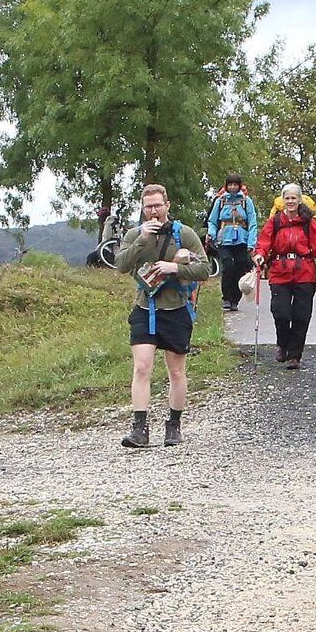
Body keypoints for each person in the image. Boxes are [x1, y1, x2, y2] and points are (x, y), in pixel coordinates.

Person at [113, 183, 213, 448]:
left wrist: (174, 268)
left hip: (176, 309)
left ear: (167, 205)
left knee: (176, 371)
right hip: (145, 308)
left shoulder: (185, 234)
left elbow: (205, 269)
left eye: (158, 205)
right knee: (142, 366)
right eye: (148, 207)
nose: (154, 211)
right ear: (143, 208)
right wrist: (141, 240)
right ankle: (139, 428)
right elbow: (121, 265)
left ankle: (174, 425)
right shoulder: (135, 234)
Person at [253, 182, 316, 369]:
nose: (290, 201)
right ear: (283, 200)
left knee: (301, 316)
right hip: (279, 272)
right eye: (287, 198)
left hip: (304, 272)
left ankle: (294, 356)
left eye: (293, 198)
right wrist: (260, 255)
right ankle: (283, 344)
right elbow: (264, 242)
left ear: (299, 200)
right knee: (280, 313)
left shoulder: (309, 222)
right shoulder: (275, 221)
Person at [205, 175, 258, 311]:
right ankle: (226, 298)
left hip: (242, 239)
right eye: (230, 185)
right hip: (224, 238)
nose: (233, 187)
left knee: (240, 267)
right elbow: (212, 220)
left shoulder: (246, 201)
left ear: (239, 186)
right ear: (227, 186)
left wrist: (251, 243)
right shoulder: (220, 201)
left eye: (235, 185)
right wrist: (211, 233)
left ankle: (235, 298)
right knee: (227, 265)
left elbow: (252, 223)